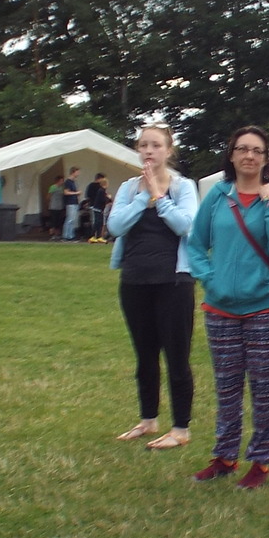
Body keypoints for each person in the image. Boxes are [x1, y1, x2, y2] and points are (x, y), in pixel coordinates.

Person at [188, 126, 269, 488]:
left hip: (264, 306)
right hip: (220, 307)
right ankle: (224, 456)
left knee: (264, 388)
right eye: (242, 149)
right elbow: (195, 243)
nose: (249, 156)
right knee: (227, 387)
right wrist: (210, 279)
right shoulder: (218, 195)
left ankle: (261, 461)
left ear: (266, 158)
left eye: (257, 151)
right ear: (232, 155)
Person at [107, 125, 197, 451]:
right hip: (134, 280)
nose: (148, 150)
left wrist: (159, 196)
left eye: (156, 145)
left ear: (168, 151)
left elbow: (186, 225)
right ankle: (148, 420)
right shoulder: (129, 188)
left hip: (174, 282)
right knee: (144, 356)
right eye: (143, 145)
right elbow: (115, 226)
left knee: (177, 357)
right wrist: (144, 195)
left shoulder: (183, 187)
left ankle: (180, 428)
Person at [85, 173, 111, 243]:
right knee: (97, 222)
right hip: (98, 209)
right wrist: (108, 198)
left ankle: (99, 236)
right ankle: (92, 236)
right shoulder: (101, 191)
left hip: (100, 209)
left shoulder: (102, 191)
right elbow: (102, 200)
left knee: (101, 223)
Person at [62, 166, 82, 242]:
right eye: (77, 172)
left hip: (74, 202)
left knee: (73, 219)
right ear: (73, 172)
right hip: (70, 202)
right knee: (70, 219)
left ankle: (71, 235)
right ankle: (66, 236)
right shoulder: (68, 182)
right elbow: (66, 192)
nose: (78, 174)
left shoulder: (74, 182)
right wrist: (76, 193)